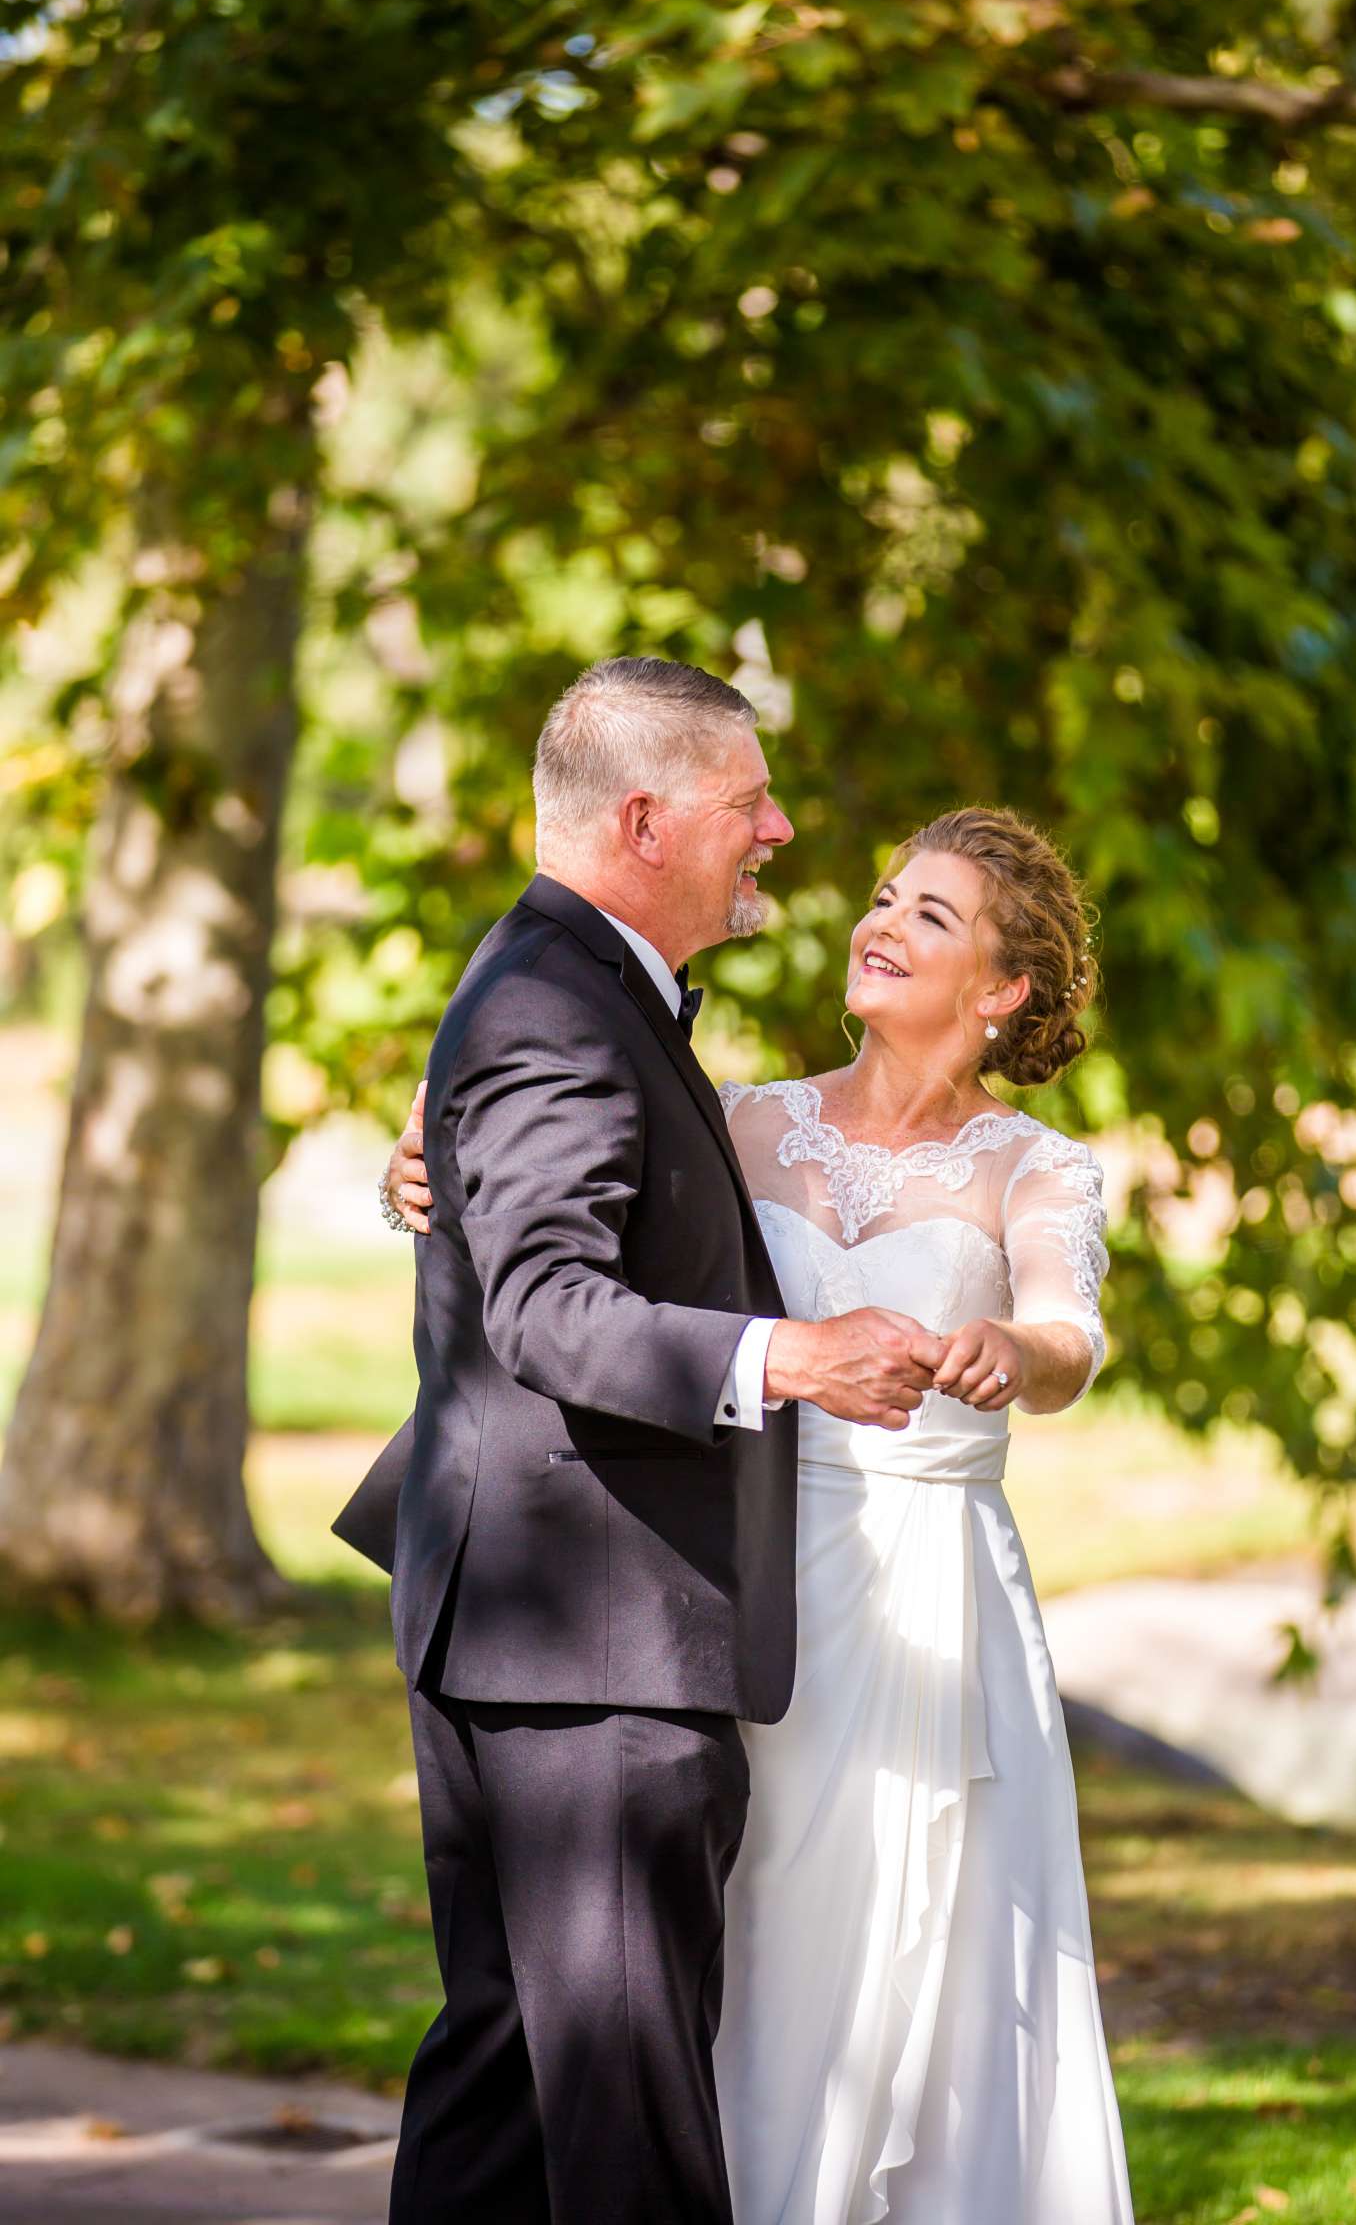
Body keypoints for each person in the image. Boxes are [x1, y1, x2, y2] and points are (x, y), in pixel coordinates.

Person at [383, 800, 1137, 2222]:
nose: (879, 922)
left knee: (919, 1949)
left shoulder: (1037, 1168)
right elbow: (584, 1245)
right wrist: (423, 1177)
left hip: (927, 1601)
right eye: (883, 896)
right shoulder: (745, 1119)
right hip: (740, 1577)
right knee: (730, 1937)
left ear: (1006, 989)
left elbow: (1068, 1333)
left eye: (931, 915)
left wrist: (1016, 1357)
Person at [334, 656, 945, 2225]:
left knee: (509, 2089)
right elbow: (548, 1308)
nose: (782, 829)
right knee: (626, 2116)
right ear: (651, 819)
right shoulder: (556, 1000)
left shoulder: (570, 986)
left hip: (534, 1633)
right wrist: (784, 1354)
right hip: (590, 1647)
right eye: (752, 804)